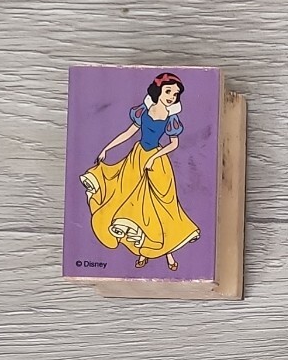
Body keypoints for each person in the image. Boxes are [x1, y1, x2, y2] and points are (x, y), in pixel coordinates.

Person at [81, 73, 201, 270]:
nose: (171, 97)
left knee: (161, 209)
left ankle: (168, 254)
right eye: (168, 91)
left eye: (175, 94)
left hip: (157, 164)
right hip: (136, 159)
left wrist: (153, 158)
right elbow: (128, 133)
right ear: (158, 90)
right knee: (135, 207)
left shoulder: (172, 119)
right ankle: (143, 251)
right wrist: (106, 149)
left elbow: (173, 144)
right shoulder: (143, 111)